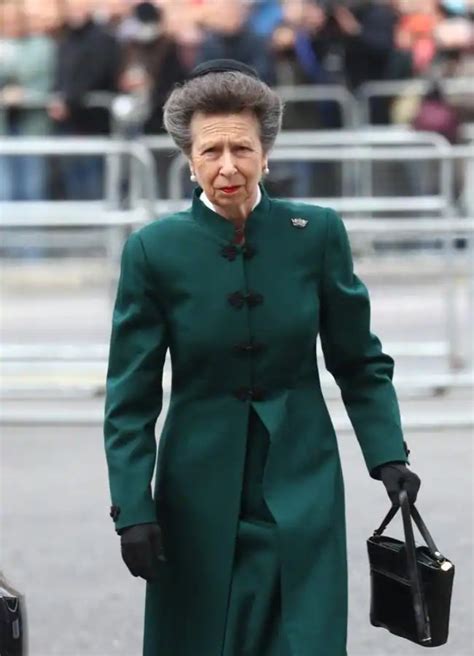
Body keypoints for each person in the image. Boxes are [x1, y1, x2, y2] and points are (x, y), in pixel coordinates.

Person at [103, 59, 421, 656]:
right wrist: (133, 508)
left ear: (266, 154)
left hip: (303, 475)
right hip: (195, 487)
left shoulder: (316, 233)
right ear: (189, 160)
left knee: (305, 638)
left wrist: (388, 455)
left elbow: (359, 360)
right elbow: (131, 395)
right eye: (211, 151)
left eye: (242, 149)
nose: (228, 166)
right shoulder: (153, 251)